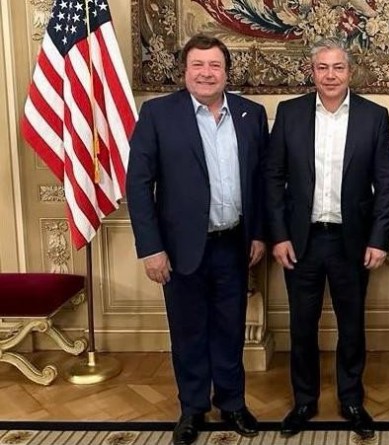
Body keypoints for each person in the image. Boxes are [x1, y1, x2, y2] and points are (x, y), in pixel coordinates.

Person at [127, 35, 268, 445]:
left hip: (235, 244)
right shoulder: (158, 114)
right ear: (184, 71)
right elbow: (139, 185)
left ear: (227, 72)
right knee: (188, 331)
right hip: (179, 248)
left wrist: (259, 233)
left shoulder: (250, 114)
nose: (207, 73)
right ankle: (192, 408)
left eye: (215, 65)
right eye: (198, 65)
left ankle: (232, 403)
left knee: (230, 328)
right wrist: (151, 248)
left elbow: (262, 181)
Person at [266, 38, 389, 440]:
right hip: (301, 242)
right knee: (301, 327)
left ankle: (351, 399)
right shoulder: (289, 113)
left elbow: (386, 185)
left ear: (350, 72)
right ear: (312, 72)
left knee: (351, 327)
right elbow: (273, 179)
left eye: (338, 67)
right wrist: (279, 236)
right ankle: (304, 401)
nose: (330, 75)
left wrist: (379, 239)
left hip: (351, 242)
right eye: (322, 67)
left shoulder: (374, 117)